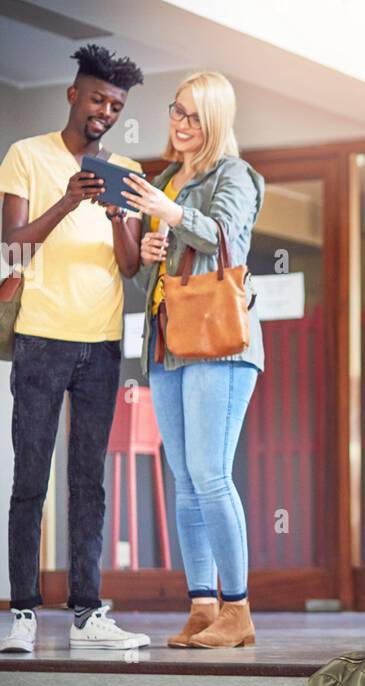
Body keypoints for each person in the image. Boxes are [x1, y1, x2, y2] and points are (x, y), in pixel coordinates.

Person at [0, 44, 149, 653]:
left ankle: (88, 614)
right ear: (73, 95)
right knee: (31, 478)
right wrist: (66, 199)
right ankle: (24, 615)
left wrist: (117, 215)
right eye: (97, 99)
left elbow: (132, 266)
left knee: (90, 481)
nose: (104, 112)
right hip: (40, 340)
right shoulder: (26, 156)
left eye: (115, 105)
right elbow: (12, 249)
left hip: (103, 346)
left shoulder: (129, 170)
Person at [125, 71, 264, 648]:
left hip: (220, 343)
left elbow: (231, 237)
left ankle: (238, 610)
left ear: (216, 123)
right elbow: (157, 275)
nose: (181, 125)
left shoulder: (235, 174)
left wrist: (173, 215)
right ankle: (202, 605)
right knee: (184, 480)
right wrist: (155, 249)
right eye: (177, 112)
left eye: (194, 117)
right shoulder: (164, 179)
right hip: (168, 341)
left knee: (209, 475)